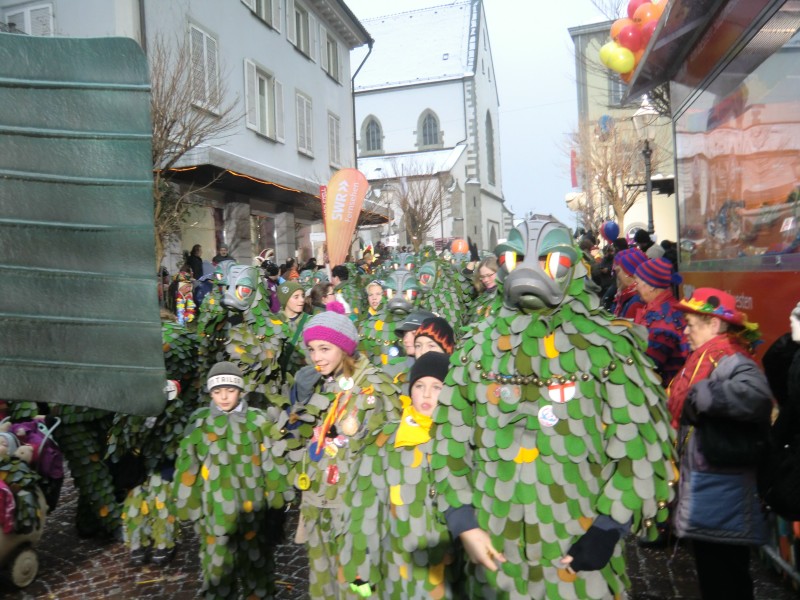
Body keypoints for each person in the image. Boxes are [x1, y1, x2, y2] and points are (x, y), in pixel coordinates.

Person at [433, 215, 675, 600]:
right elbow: (449, 440)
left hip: (576, 544)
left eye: (551, 261)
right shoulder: (477, 347)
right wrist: (464, 521)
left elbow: (643, 445)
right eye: (514, 259)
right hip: (496, 550)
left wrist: (607, 527)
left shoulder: (607, 346)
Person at [287, 303, 401, 599]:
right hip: (319, 500)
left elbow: (392, 450)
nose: (316, 357)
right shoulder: (322, 382)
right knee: (322, 582)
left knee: (358, 586)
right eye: (312, 349)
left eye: (324, 349)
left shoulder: (375, 386)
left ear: (344, 348)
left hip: (356, 508)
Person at [668, 288, 771, 600]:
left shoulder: (728, 358)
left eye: (690, 324)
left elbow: (757, 397)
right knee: (717, 578)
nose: (685, 331)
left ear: (713, 324)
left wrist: (704, 395)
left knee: (726, 581)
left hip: (722, 493)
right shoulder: (708, 357)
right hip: (711, 490)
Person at [342, 351, 462, 599]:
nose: (426, 394)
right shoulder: (386, 440)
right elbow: (367, 506)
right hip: (397, 570)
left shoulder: (460, 439)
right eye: (419, 385)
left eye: (437, 387)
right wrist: (361, 568)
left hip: (450, 573)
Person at [172, 362, 279, 599]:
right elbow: (189, 464)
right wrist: (189, 503)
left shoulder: (257, 421)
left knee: (256, 565)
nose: (223, 397)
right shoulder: (200, 422)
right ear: (210, 393)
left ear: (240, 390)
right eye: (217, 391)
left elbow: (270, 462)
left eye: (230, 390)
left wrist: (276, 500)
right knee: (218, 567)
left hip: (252, 509)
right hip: (215, 511)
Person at [633, 257, 688, 387]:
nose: (635, 288)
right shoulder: (663, 309)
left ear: (651, 286)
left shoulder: (662, 321)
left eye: (637, 283)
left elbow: (646, 365)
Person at [278, 281, 310, 378]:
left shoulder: (311, 321)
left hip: (305, 377)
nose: (302, 300)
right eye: (296, 297)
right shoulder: (274, 321)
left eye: (303, 296)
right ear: (285, 299)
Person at [610, 248, 647, 318]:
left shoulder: (637, 300)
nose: (617, 275)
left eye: (619, 270)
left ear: (629, 274)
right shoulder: (625, 295)